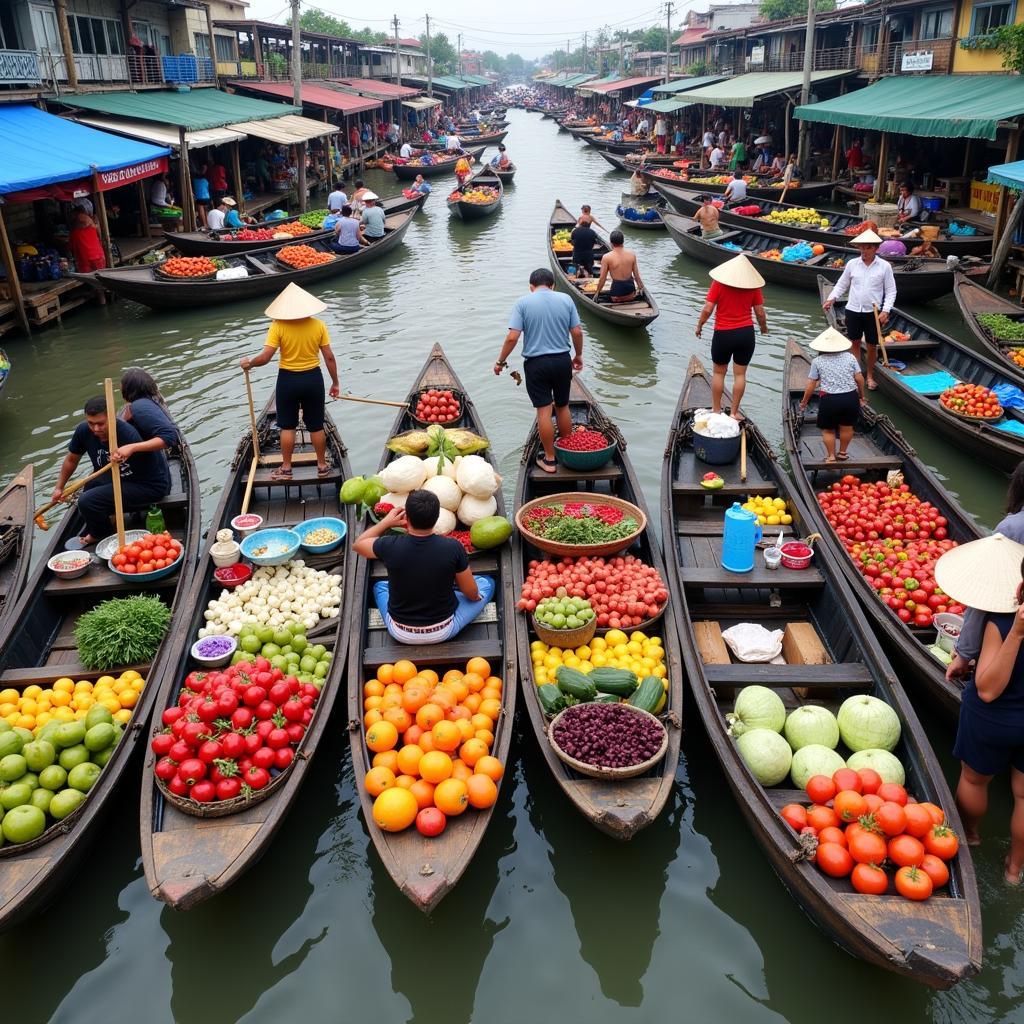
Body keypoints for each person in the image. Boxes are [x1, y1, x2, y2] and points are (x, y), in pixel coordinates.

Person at [932, 535, 1024, 883]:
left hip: (995, 719)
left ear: (1018, 589)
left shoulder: (1001, 624)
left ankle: (970, 835)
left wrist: (1015, 632)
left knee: (974, 778)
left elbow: (987, 689)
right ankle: (1014, 871)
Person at [354, 490, 496, 645]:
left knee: (380, 586)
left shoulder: (389, 545)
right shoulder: (453, 547)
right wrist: (476, 598)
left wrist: (386, 522)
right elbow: (471, 593)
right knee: (486, 583)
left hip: (400, 631)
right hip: (442, 630)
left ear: (407, 518)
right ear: (436, 519)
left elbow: (358, 545)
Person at [239, 283, 340, 481]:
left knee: (287, 426)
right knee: (316, 426)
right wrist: (335, 383)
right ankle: (321, 466)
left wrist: (249, 363)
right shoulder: (318, 325)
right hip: (313, 379)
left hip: (288, 380)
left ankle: (286, 469)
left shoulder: (278, 326)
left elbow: (266, 357)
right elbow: (329, 357)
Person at [494, 268, 584, 474]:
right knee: (562, 406)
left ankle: (550, 460)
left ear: (531, 287)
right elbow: (577, 332)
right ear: (553, 285)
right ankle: (568, 452)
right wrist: (578, 356)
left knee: (544, 410)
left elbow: (512, 338)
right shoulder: (566, 300)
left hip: (536, 364)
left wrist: (500, 361)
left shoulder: (523, 303)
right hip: (562, 361)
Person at [51, 395, 172, 548]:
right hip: (114, 479)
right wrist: (59, 487)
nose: (96, 429)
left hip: (146, 484)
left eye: (101, 424)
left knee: (87, 500)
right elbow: (71, 460)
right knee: (88, 488)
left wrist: (131, 448)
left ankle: (100, 534)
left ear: (112, 417)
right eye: (91, 423)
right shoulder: (83, 431)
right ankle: (99, 524)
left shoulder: (128, 434)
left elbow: (165, 441)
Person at [948, 466, 1024, 684]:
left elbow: (986, 594)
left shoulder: (1012, 528)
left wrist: (964, 653)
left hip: (1009, 628)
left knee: (984, 691)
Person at [694, 254, 768, 420]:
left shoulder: (719, 283)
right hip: (745, 334)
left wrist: (699, 326)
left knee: (719, 373)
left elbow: (708, 308)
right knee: (740, 375)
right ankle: (734, 413)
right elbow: (760, 312)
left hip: (723, 334)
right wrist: (763, 328)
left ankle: (716, 410)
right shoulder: (753, 287)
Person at [823, 229, 896, 391]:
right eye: (861, 248)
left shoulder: (884, 267)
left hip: (873, 312)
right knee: (854, 342)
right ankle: (856, 375)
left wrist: (886, 310)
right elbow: (842, 284)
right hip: (853, 309)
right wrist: (832, 298)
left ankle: (869, 376)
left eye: (867, 248)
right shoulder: (852, 264)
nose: (863, 251)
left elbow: (891, 291)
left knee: (871, 345)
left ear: (875, 248)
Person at [797, 327, 866, 462]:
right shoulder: (850, 357)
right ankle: (842, 453)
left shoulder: (818, 361)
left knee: (828, 430)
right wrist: (861, 396)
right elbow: (859, 379)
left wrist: (804, 402)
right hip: (850, 397)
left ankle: (831, 456)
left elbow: (812, 384)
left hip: (830, 399)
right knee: (847, 427)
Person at [595, 231, 645, 304]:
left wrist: (597, 292)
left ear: (611, 243)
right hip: (630, 295)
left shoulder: (606, 257)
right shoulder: (632, 255)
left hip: (616, 296)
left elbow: (602, 278)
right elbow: (637, 276)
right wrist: (641, 288)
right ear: (623, 241)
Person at [68, 206, 106, 274]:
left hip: (85, 260)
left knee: (89, 279)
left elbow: (70, 248)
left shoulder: (74, 233)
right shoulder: (93, 228)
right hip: (99, 257)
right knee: (101, 278)